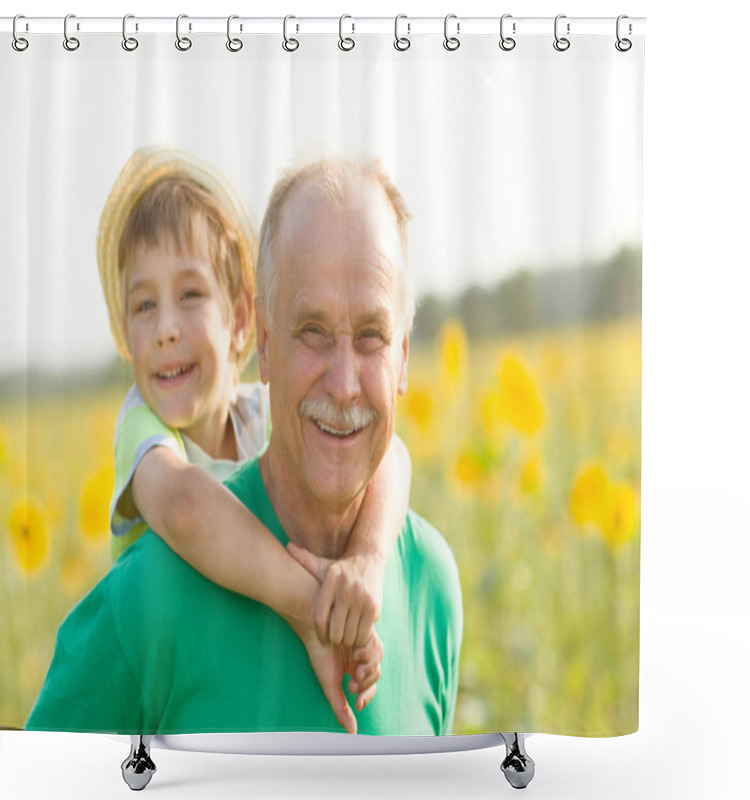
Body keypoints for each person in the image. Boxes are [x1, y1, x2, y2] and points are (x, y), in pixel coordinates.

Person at [26, 157, 463, 736]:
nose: (343, 382)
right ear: (263, 340)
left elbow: (393, 456)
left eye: (371, 337)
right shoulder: (146, 594)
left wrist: (368, 561)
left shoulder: (431, 586)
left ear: (404, 355)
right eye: (312, 331)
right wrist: (312, 607)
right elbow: (183, 507)